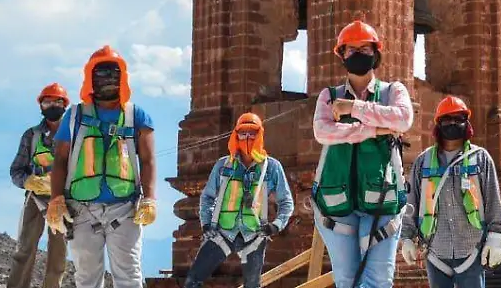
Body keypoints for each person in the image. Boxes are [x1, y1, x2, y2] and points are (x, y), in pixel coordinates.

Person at [312, 19, 414, 288]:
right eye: (351, 49)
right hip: (336, 205)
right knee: (346, 281)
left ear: (376, 53)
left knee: (379, 281)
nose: (358, 54)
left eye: (365, 49)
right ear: (342, 55)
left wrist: (352, 109)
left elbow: (403, 119)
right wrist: (374, 130)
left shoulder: (393, 91)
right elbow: (323, 132)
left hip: (382, 200)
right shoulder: (328, 96)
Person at [45, 45, 157, 288]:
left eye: (113, 73)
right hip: (82, 210)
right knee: (87, 278)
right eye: (101, 73)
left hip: (125, 209)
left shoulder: (137, 115)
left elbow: (147, 160)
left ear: (123, 77)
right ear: (90, 78)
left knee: (129, 277)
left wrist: (149, 199)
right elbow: (61, 161)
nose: (107, 80)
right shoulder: (74, 116)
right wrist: (56, 199)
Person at [400, 96, 501, 288]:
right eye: (447, 119)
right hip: (435, 252)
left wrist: (496, 237)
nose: (453, 123)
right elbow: (411, 203)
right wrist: (407, 237)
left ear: (466, 123)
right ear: (438, 125)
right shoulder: (422, 162)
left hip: (471, 252)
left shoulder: (480, 158)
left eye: (458, 119)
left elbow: (493, 201)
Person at [183, 112, 295, 288]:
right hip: (222, 232)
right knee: (193, 281)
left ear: (260, 134)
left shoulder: (271, 167)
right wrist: (206, 223)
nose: (248, 137)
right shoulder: (223, 165)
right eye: (243, 133)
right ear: (236, 135)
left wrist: (276, 225)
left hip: (254, 234)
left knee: (252, 285)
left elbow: (286, 201)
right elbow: (207, 197)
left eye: (252, 133)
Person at [6, 83, 71, 288]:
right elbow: (16, 170)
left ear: (65, 105)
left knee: (58, 255)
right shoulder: (31, 136)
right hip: (35, 199)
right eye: (47, 101)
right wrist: (28, 181)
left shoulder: (73, 135)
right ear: (41, 106)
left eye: (57, 101)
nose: (52, 105)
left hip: (63, 200)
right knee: (25, 249)